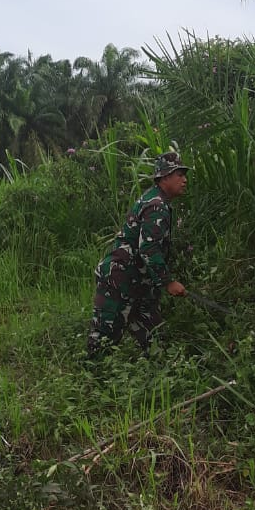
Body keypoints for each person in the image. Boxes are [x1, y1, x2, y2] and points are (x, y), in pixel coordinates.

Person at [86, 151, 189, 357]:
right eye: (180, 174)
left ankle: (160, 377)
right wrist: (168, 282)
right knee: (104, 340)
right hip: (119, 280)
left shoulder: (156, 200)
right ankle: (89, 382)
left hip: (138, 283)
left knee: (153, 334)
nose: (185, 180)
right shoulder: (157, 205)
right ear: (165, 177)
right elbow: (148, 248)